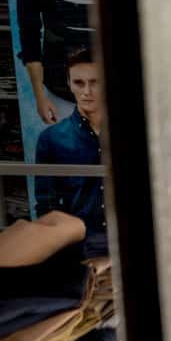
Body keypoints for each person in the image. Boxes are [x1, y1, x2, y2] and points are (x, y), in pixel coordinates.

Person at [15, 0, 92, 126]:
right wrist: (40, 97)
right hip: (60, 93)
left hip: (111, 86)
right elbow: (29, 34)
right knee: (67, 154)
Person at [34, 48, 105, 234]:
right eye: (79, 83)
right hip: (76, 244)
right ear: (69, 84)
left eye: (95, 82)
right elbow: (46, 205)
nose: (87, 92)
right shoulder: (51, 139)